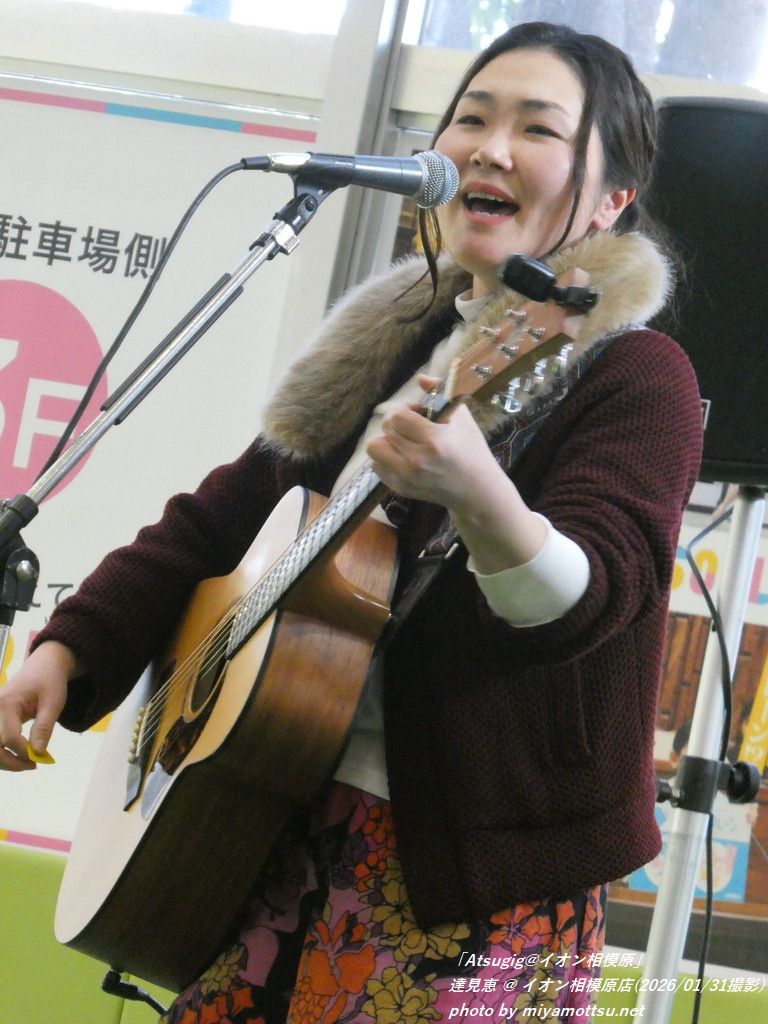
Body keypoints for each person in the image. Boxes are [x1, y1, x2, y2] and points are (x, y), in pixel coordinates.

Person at [0, 21, 703, 1024]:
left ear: (609, 202)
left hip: (479, 883)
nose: (490, 149)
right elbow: (215, 523)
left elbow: (596, 595)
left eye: (537, 129)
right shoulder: (399, 340)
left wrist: (482, 495)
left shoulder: (637, 375)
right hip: (271, 826)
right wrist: (71, 648)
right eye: (471, 118)